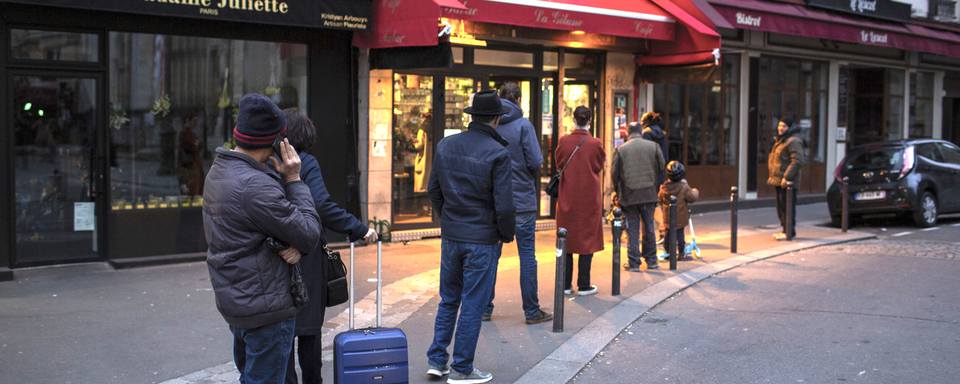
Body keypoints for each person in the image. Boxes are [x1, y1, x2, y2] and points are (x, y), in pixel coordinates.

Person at [203, 94, 321, 384]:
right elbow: (307, 233)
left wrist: (287, 242)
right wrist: (294, 178)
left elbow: (251, 228)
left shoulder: (221, 170)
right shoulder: (254, 185)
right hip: (265, 308)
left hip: (239, 299)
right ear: (277, 142)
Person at [280, 108, 378, 384]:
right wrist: (359, 228)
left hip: (276, 255)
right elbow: (321, 205)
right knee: (309, 331)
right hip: (307, 255)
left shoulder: (267, 163)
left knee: (283, 331)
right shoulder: (306, 162)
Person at [426, 89, 516, 384]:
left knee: (448, 299)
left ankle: (437, 361)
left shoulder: (446, 145)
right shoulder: (498, 153)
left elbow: (434, 191)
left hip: (452, 235)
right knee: (473, 302)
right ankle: (462, 368)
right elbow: (504, 204)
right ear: (496, 119)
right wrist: (505, 234)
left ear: (473, 116)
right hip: (482, 238)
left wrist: (449, 217)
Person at [482, 83, 552, 325]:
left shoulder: (491, 124)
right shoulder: (524, 125)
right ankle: (532, 311)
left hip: (494, 202)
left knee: (492, 256)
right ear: (519, 100)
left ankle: (484, 308)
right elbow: (535, 161)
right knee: (527, 257)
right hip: (522, 201)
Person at [555, 106, 605, 295]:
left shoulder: (564, 141)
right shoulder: (595, 143)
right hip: (589, 198)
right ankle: (584, 284)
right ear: (590, 120)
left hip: (567, 195)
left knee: (566, 238)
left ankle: (566, 284)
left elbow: (559, 164)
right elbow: (598, 166)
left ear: (573, 120)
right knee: (587, 239)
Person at [612, 121, 665, 272]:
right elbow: (661, 166)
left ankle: (634, 262)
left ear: (627, 133)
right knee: (649, 227)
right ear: (641, 132)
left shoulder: (620, 150)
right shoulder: (654, 147)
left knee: (632, 229)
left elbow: (614, 174)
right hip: (649, 193)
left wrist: (617, 191)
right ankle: (652, 260)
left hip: (629, 195)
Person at [767, 116, 804, 240]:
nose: (780, 128)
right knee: (780, 208)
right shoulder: (782, 140)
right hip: (778, 180)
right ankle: (785, 230)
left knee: (786, 207)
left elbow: (797, 161)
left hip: (787, 182)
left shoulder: (793, 141)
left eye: (784, 126)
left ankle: (789, 232)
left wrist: (786, 177)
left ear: (790, 127)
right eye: (779, 125)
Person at [658, 161, 699, 261]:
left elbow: (659, 199)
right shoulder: (684, 187)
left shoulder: (663, 187)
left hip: (667, 216)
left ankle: (668, 252)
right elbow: (692, 198)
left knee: (667, 234)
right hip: (680, 217)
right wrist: (695, 190)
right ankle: (681, 253)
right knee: (680, 235)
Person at [178, 113, 204, 196]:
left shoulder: (190, 133)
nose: (195, 123)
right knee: (191, 189)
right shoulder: (184, 133)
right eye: (194, 121)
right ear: (188, 121)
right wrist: (196, 145)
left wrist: (197, 145)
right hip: (189, 166)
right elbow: (191, 147)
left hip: (194, 165)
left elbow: (199, 145)